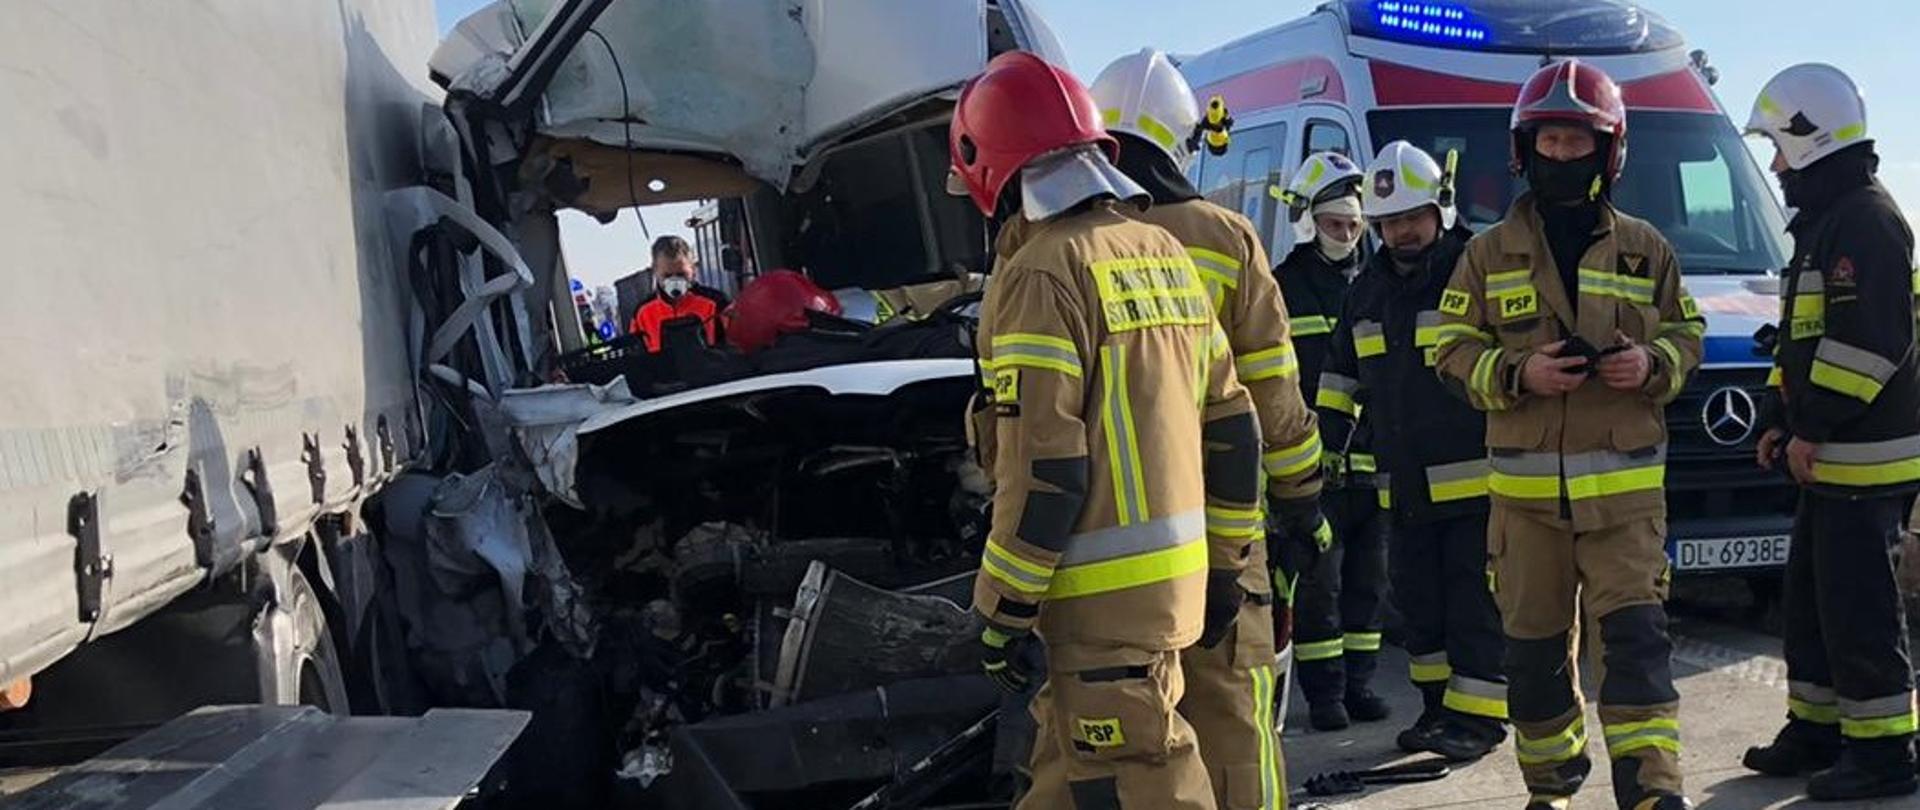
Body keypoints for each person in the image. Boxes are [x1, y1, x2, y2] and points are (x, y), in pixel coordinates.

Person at [953, 51, 1263, 809]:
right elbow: (1235, 428)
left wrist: (1002, 608)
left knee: (1151, 782)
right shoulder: (1159, 250)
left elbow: (1048, 472)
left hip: (1098, 614)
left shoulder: (1041, 274)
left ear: (989, 165)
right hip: (1172, 595)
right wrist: (1225, 564)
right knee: (1067, 781)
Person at [1434, 59, 1703, 810]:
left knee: (1639, 652)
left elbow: (1689, 335)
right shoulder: (1485, 256)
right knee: (1535, 663)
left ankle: (1654, 790)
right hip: (1524, 513)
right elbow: (1448, 352)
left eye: (1576, 142)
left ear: (1608, 150)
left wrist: (1651, 363)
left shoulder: (1648, 250)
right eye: (1548, 141)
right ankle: (1551, 786)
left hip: (1625, 506)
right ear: (1524, 150)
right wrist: (1519, 373)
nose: (1561, 156)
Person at [1090, 48, 1323, 808]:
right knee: (1235, 727)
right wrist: (1301, 499)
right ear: (1184, 139)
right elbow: (1273, 398)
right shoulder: (1227, 239)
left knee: (1114, 744)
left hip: (1097, 549)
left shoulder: (1059, 246)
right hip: (1221, 534)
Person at [1740, 63, 1919, 801]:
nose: (1776, 165)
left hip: (1863, 462)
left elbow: (1866, 348)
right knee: (1813, 604)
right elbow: (1807, 339)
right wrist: (1782, 420)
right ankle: (1817, 730)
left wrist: (1806, 428)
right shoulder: (1826, 221)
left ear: (1811, 139)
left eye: (1780, 148)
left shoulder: (1866, 223)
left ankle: (1883, 754)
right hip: (1828, 456)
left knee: (1860, 611)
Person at [1317, 142, 1508, 760]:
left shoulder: (1473, 271)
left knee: (1472, 607)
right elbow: (1341, 377)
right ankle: (1435, 714)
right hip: (1401, 487)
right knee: (1419, 607)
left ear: (1440, 211)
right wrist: (1324, 447)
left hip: (1476, 486)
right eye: (1389, 221)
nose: (1402, 231)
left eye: (1412, 217)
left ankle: (1478, 721)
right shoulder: (1366, 292)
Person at [1272, 150, 1393, 732]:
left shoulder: (1375, 282)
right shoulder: (1282, 287)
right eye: (1334, 224)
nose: (1345, 235)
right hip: (1314, 466)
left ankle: (1361, 684)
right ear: (1307, 222)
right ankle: (1325, 697)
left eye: (1353, 225)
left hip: (1373, 462)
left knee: (1368, 586)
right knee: (1321, 585)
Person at [629, 235, 727, 352]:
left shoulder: (716, 304)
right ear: (655, 271)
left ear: (693, 268)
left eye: (681, 275)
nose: (675, 282)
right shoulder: (642, 314)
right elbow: (636, 359)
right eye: (667, 276)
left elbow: (735, 352)